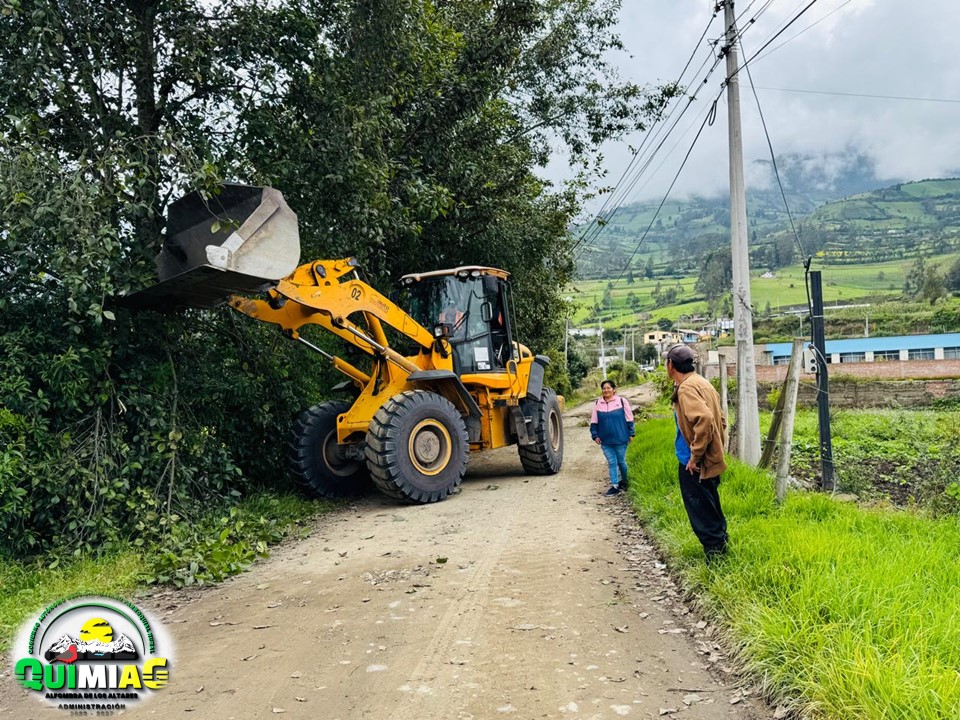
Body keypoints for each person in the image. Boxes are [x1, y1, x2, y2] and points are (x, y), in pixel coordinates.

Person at [665, 344, 730, 562]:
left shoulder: (686, 389)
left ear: (671, 365)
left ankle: (715, 557)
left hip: (693, 463)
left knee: (701, 510)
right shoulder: (702, 382)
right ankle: (722, 545)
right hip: (710, 459)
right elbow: (720, 418)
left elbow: (706, 419)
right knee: (711, 505)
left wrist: (695, 456)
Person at [590, 379, 635, 496]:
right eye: (604, 388)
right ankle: (615, 486)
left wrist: (631, 433)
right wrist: (595, 435)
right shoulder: (598, 403)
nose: (606, 390)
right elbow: (594, 421)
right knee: (612, 462)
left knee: (621, 462)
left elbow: (629, 418)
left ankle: (625, 481)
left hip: (620, 438)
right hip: (605, 440)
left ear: (614, 390)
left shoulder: (622, 401)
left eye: (608, 388)